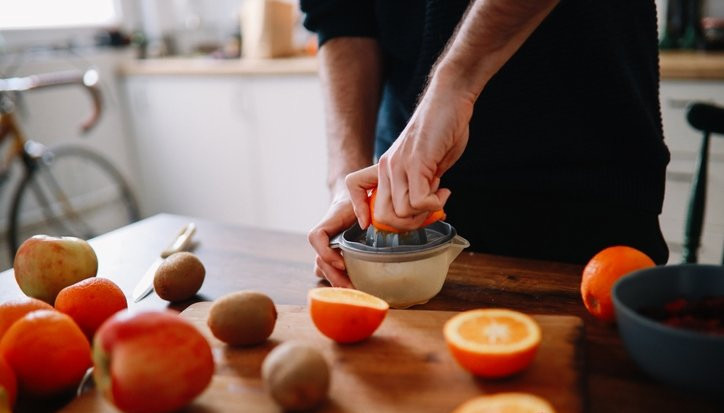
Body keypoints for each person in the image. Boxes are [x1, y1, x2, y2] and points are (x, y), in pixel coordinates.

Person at [301, 0, 671, 288]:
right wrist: (345, 181)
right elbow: (341, 15)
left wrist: (453, 85)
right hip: (411, 198)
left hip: (586, 178)